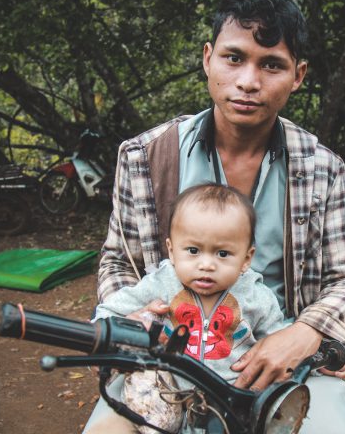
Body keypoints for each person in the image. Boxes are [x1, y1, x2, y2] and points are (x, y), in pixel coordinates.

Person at [85, 0, 345, 433]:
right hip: (162, 367)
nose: (247, 82)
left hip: (279, 369)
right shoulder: (143, 157)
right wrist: (133, 315)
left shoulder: (323, 169)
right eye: (234, 58)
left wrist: (305, 335)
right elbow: (118, 259)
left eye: (271, 66)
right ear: (207, 59)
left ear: (298, 76)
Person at [92, 183, 286, 432]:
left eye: (223, 254)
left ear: (246, 258)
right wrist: (125, 327)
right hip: (163, 396)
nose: (206, 264)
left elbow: (277, 343)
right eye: (193, 251)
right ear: (172, 251)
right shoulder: (161, 283)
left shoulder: (256, 296)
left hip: (230, 402)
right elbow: (108, 313)